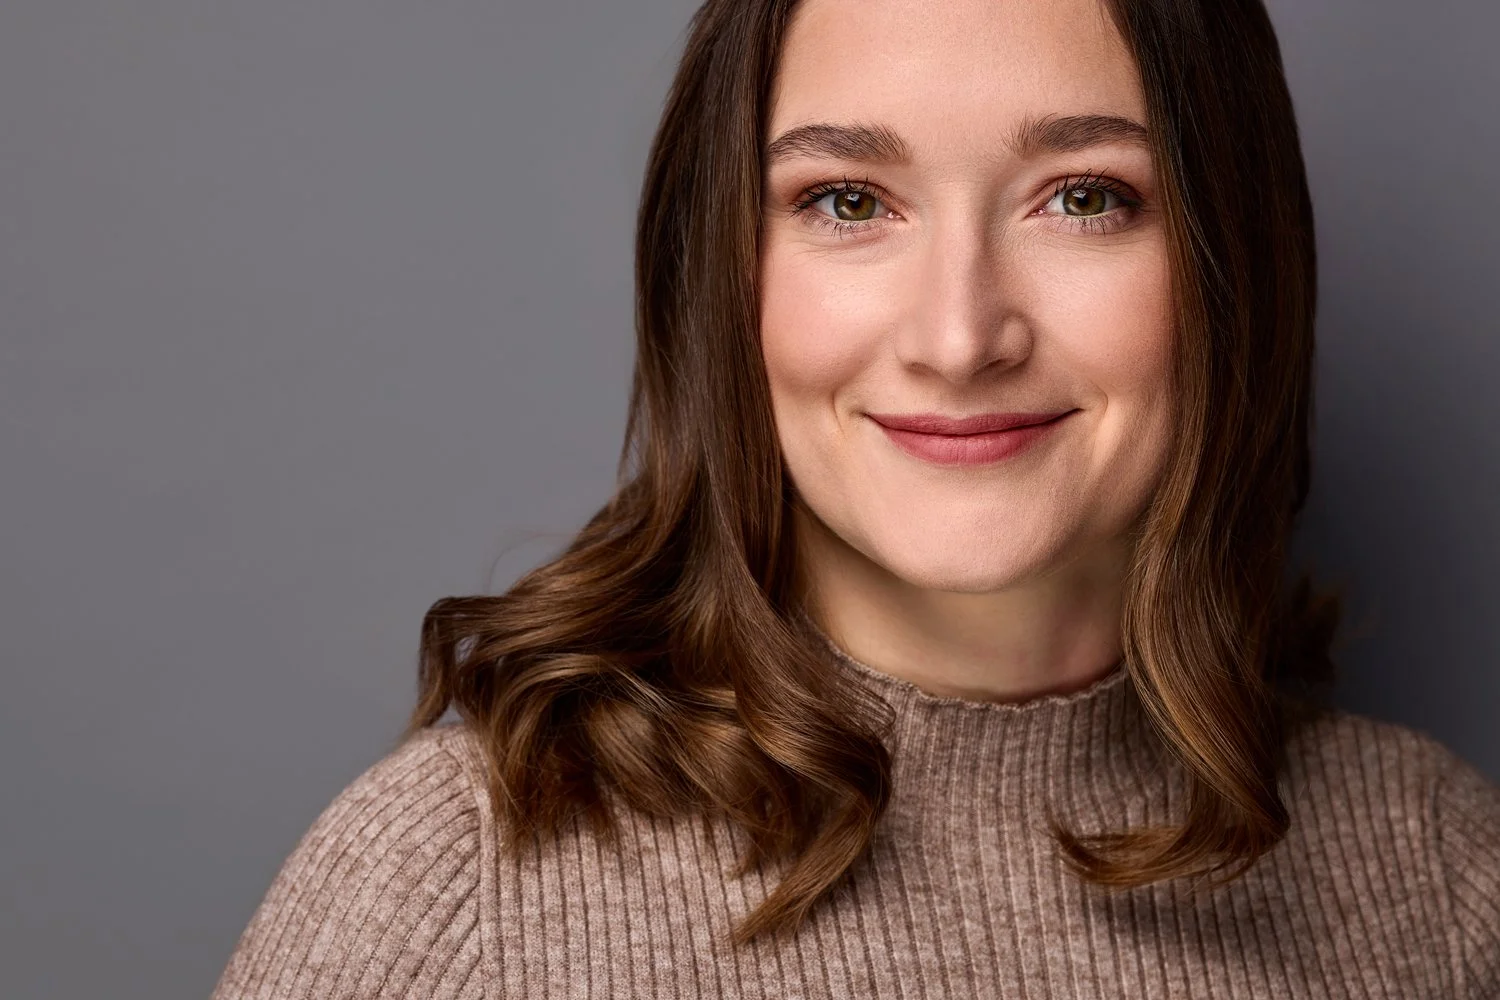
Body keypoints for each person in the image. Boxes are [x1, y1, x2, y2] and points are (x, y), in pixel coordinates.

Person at [210, 0, 1500, 996]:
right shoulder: (455, 883)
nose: (958, 335)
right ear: (725, 269)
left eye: (1086, 197)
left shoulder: (1437, 876)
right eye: (845, 200)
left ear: (1235, 256)